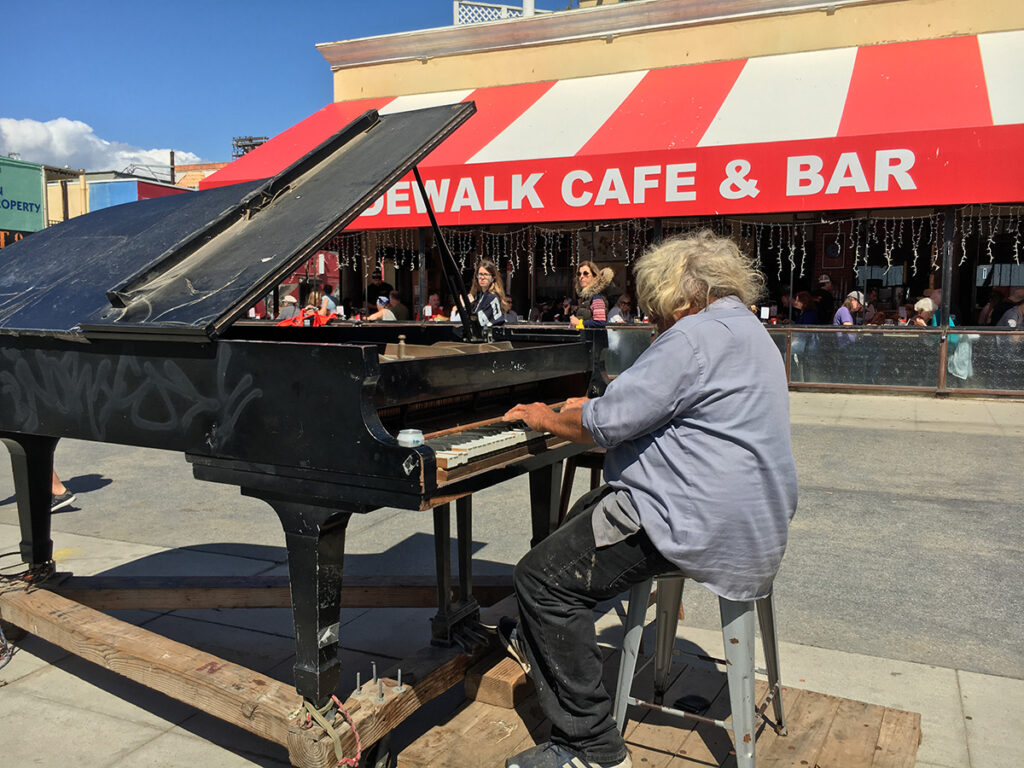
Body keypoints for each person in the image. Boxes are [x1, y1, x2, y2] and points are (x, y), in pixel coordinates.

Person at [499, 230, 797, 768]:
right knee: (587, 515)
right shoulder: (746, 329)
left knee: (539, 580)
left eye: (655, 308)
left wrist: (546, 416)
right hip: (754, 516)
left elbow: (606, 424)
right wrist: (602, 399)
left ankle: (590, 747)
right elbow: (666, 401)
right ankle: (545, 641)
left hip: (695, 519)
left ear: (679, 293)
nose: (654, 321)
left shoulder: (691, 335)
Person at [463, 258, 510, 327]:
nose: (482, 277)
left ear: (493, 277)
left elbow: (478, 322)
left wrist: (467, 305)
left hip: (491, 335)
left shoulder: (492, 297)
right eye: (480, 274)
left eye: (486, 274)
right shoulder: (479, 296)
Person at [570, 261, 614, 329]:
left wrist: (580, 323)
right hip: (586, 338)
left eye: (585, 273)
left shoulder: (597, 298)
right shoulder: (586, 297)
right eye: (579, 274)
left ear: (594, 276)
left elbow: (601, 323)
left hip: (594, 338)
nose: (581, 276)